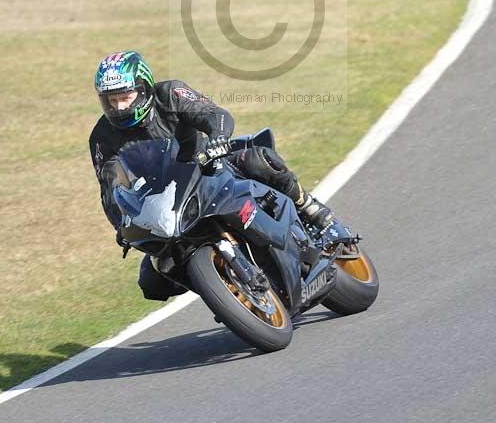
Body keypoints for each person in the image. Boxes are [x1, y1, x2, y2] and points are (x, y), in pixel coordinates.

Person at [89, 50, 334, 301]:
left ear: (144, 89)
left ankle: (309, 209)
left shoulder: (170, 94)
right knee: (152, 280)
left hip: (207, 166)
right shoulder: (101, 137)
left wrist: (217, 138)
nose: (119, 107)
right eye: (111, 101)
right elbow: (109, 188)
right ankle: (226, 291)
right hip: (164, 201)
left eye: (125, 97)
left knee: (258, 161)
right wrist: (121, 223)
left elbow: (213, 114)